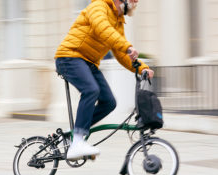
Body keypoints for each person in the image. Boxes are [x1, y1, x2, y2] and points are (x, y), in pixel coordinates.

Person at [54, 0, 154, 160]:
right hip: (69, 57)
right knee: (91, 90)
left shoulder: (118, 20)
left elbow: (121, 54)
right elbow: (103, 29)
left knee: (109, 102)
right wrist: (127, 46)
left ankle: (75, 131)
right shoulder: (98, 6)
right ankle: (77, 141)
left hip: (88, 63)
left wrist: (142, 67)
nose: (136, 3)